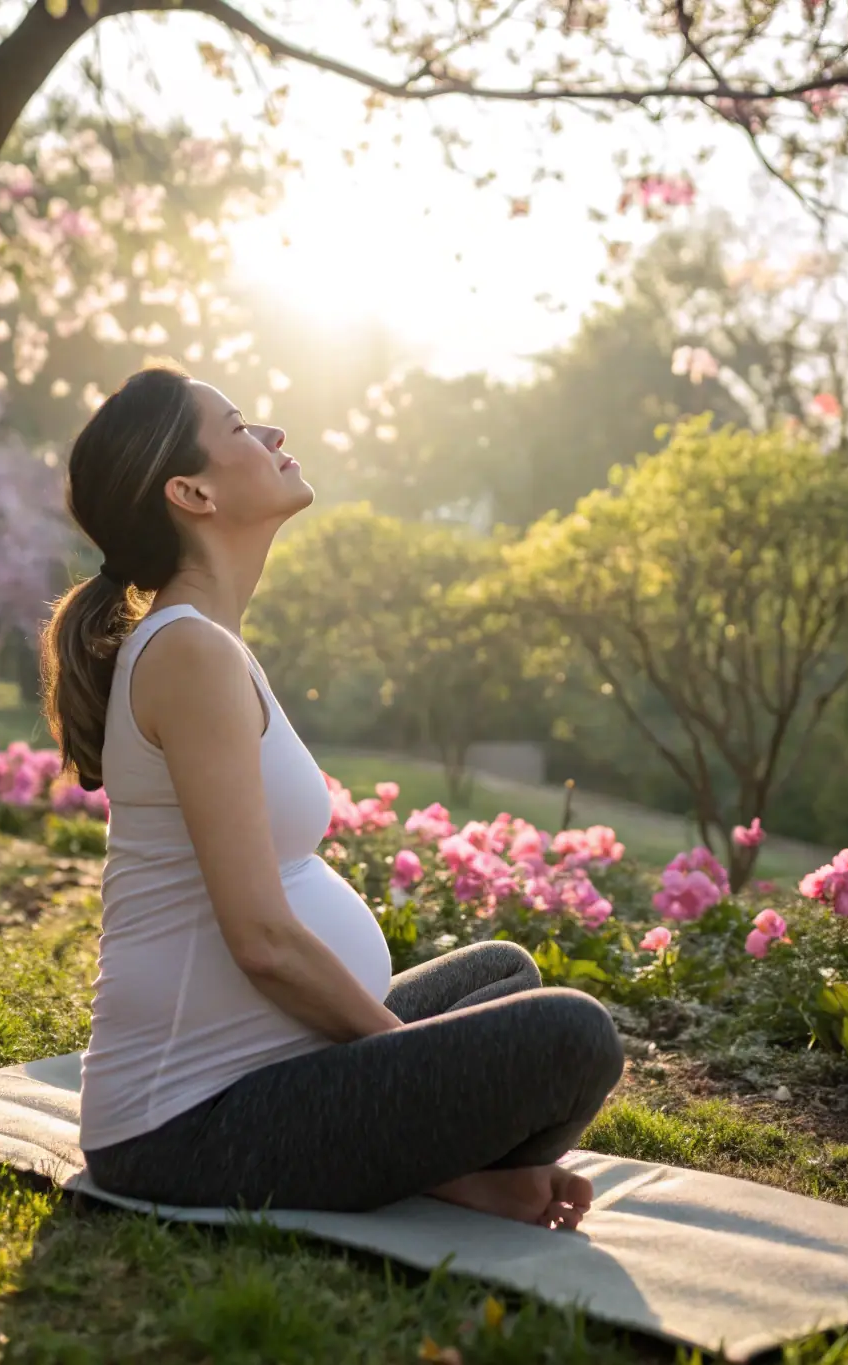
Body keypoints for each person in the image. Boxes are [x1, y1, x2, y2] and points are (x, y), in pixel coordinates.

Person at [41, 365, 624, 1228]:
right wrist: (408, 1062)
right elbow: (263, 940)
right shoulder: (188, 654)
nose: (272, 435)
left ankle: (436, 1168)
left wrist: (415, 1071)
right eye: (239, 427)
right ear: (190, 491)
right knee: (574, 1036)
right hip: (182, 1126)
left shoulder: (206, 643)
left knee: (504, 972)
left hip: (273, 1070)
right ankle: (448, 1170)